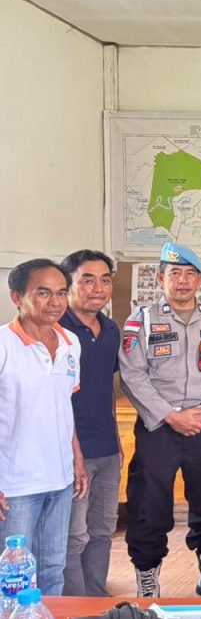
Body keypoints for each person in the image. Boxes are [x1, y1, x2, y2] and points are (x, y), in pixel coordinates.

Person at [119, 242, 201, 598]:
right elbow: (132, 374)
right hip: (159, 426)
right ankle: (147, 574)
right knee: (148, 503)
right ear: (161, 279)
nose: (183, 281)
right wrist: (170, 415)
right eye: (175, 273)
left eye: (190, 274)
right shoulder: (141, 320)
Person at [0, 259, 88, 595]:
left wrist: (77, 459)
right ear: (16, 297)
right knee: (13, 576)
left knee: (53, 568)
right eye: (43, 293)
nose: (55, 301)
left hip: (60, 479)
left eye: (61, 293)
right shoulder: (3, 344)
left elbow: (64, 406)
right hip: (15, 484)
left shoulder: (70, 343)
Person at [59, 250, 122, 597]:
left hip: (107, 449)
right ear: (68, 284)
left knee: (102, 529)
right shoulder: (57, 330)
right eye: (87, 280)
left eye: (104, 280)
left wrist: (117, 441)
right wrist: (76, 455)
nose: (98, 288)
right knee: (74, 535)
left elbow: (105, 389)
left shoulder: (111, 330)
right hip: (71, 452)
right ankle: (74, 605)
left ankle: (96, 599)